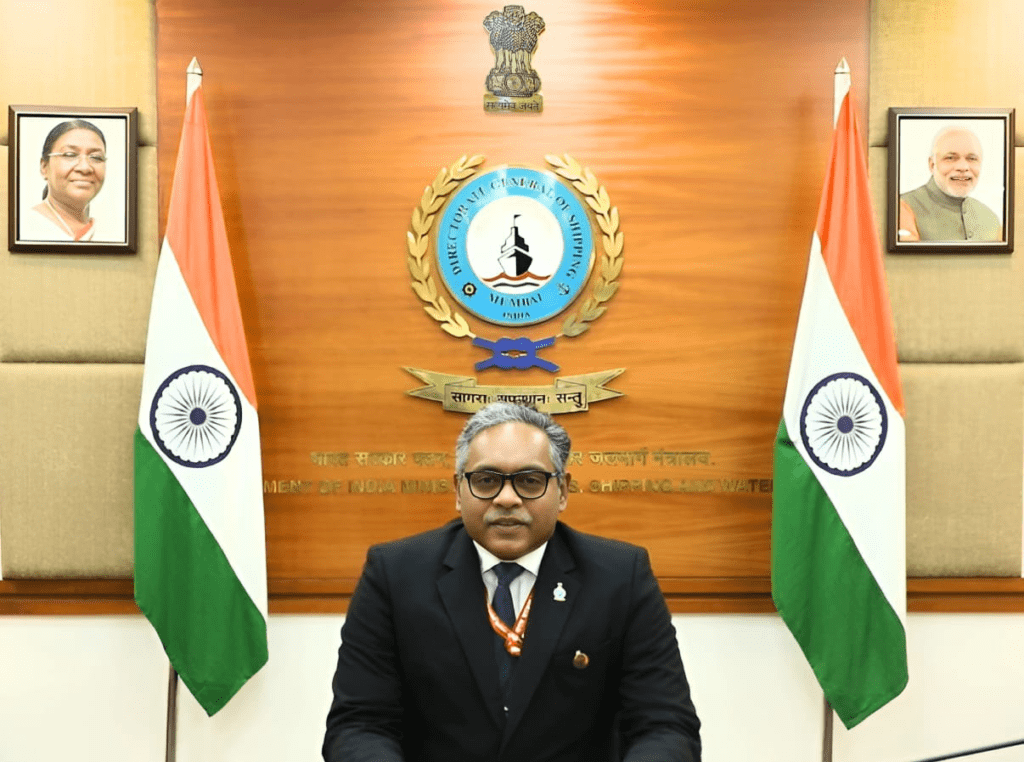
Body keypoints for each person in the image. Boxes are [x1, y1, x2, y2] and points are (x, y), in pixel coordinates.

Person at [323, 402, 701, 762]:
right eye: (486, 480)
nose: (506, 499)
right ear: (458, 491)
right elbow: (360, 724)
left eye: (530, 481)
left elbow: (665, 725)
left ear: (563, 490)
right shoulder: (395, 574)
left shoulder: (620, 576)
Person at [898, 125, 1002, 242]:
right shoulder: (903, 208)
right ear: (932, 165)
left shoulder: (990, 219)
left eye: (972, 159)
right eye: (951, 158)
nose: (963, 167)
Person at [22, 119, 108, 242]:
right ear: (44, 167)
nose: (85, 168)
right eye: (70, 155)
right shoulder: (23, 225)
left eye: (96, 157)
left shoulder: (112, 234)